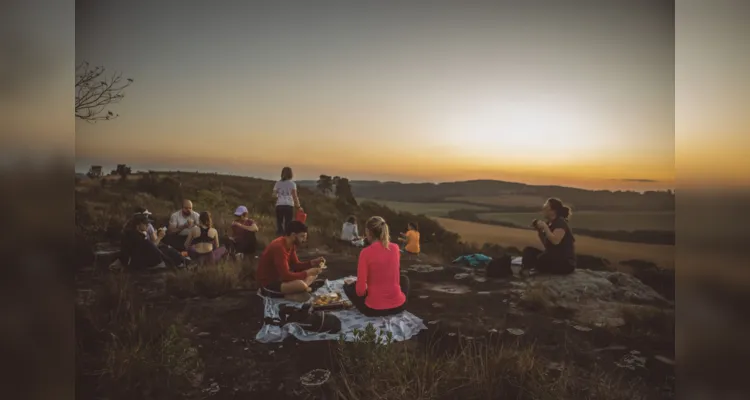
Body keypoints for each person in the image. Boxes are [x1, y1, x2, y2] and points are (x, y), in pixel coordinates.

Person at [343, 216, 409, 317]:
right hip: (399, 306)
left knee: (347, 287)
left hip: (373, 310)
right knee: (404, 279)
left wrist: (357, 284)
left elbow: (360, 292)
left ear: (367, 232)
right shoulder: (395, 248)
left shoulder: (365, 253)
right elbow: (393, 274)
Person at [256, 220, 326, 300]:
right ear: (293, 235)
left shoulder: (291, 245)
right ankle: (295, 292)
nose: (304, 240)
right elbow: (286, 275)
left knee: (313, 274)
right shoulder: (279, 247)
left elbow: (295, 265)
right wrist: (307, 272)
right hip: (269, 284)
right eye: (302, 236)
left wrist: (312, 263)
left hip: (281, 279)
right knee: (301, 284)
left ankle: (300, 289)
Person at [522, 198, 576, 275]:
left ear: (553, 211)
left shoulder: (560, 223)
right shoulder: (550, 223)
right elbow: (547, 245)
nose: (543, 208)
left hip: (565, 263)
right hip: (553, 258)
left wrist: (545, 227)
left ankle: (534, 270)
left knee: (542, 258)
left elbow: (555, 241)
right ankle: (526, 272)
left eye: (546, 206)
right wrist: (540, 231)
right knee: (529, 251)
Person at [273, 167, 300, 236]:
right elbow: (294, 196)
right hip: (289, 205)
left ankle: (279, 237)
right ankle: (286, 237)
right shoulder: (292, 184)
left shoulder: (278, 183)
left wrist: (279, 196)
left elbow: (274, 195)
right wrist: (298, 206)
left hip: (279, 205)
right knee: (288, 223)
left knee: (279, 223)